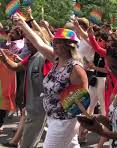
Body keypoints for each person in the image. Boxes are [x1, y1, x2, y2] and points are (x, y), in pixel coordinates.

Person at [14, 14, 88, 148]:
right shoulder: (57, 59)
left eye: (57, 42)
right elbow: (38, 42)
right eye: (54, 41)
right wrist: (22, 24)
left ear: (68, 46)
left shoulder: (75, 68)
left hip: (63, 121)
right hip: (53, 118)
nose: (53, 43)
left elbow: (83, 100)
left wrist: (60, 103)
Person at [0, 31, 51, 148]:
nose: (28, 44)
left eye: (31, 41)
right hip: (30, 106)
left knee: (27, 143)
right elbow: (16, 67)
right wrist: (5, 59)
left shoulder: (45, 58)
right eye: (27, 42)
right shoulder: (31, 57)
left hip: (39, 108)